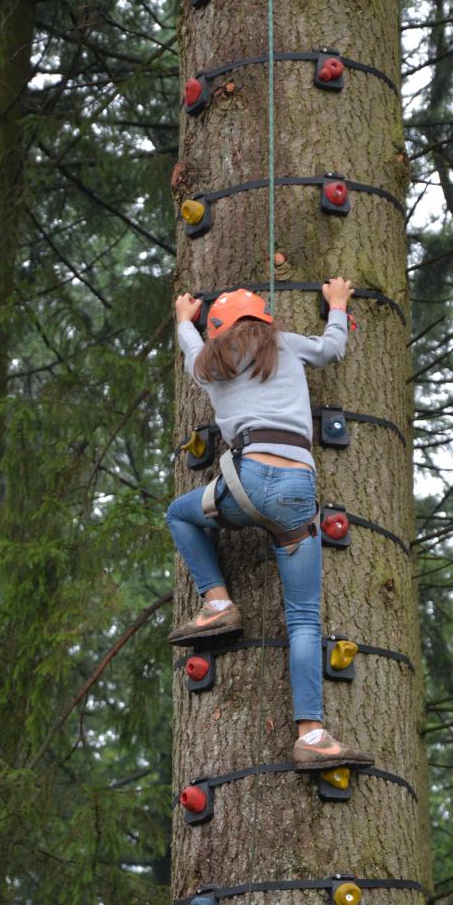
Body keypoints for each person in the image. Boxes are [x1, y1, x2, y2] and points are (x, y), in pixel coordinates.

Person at [165, 280, 374, 769]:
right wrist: (338, 306)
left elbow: (192, 346)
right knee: (303, 618)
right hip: (298, 492)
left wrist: (181, 319)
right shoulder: (286, 343)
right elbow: (331, 349)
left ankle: (216, 602)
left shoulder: (209, 364)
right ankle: (312, 735)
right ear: (262, 319)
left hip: (247, 484)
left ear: (218, 329)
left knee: (180, 513)